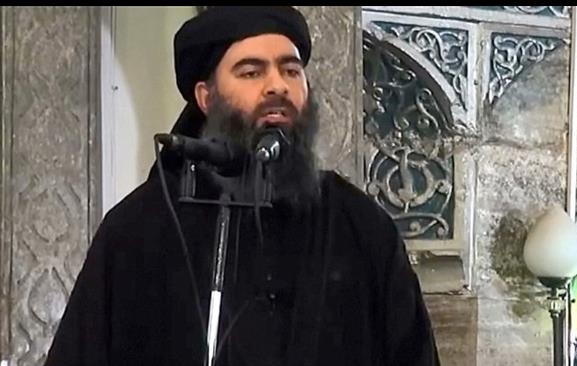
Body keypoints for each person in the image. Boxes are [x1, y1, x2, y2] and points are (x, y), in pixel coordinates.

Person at [44, 6, 439, 366]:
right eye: (251, 72)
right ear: (205, 96)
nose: (277, 86)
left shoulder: (361, 227)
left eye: (290, 70)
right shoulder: (138, 231)